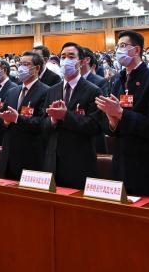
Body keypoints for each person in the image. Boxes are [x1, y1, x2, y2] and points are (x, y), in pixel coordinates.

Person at [95, 30, 149, 197]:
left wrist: (121, 114)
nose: (118, 50)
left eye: (123, 45)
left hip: (147, 166)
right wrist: (112, 121)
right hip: (121, 162)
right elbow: (110, 127)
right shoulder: (118, 80)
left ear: (136, 50)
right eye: (118, 47)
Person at [41, 42, 104, 189]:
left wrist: (65, 116)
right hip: (53, 161)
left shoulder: (93, 91)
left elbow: (95, 126)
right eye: (63, 57)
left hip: (79, 161)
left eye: (71, 56)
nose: (65, 60)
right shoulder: (52, 91)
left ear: (81, 62)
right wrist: (52, 120)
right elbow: (43, 124)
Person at [0, 50, 50, 180]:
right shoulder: (12, 91)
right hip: (9, 154)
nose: (21, 67)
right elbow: (2, 118)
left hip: (30, 155)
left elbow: (42, 123)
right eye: (20, 64)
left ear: (37, 68)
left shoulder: (46, 91)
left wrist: (17, 118)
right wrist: (5, 121)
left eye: (26, 64)